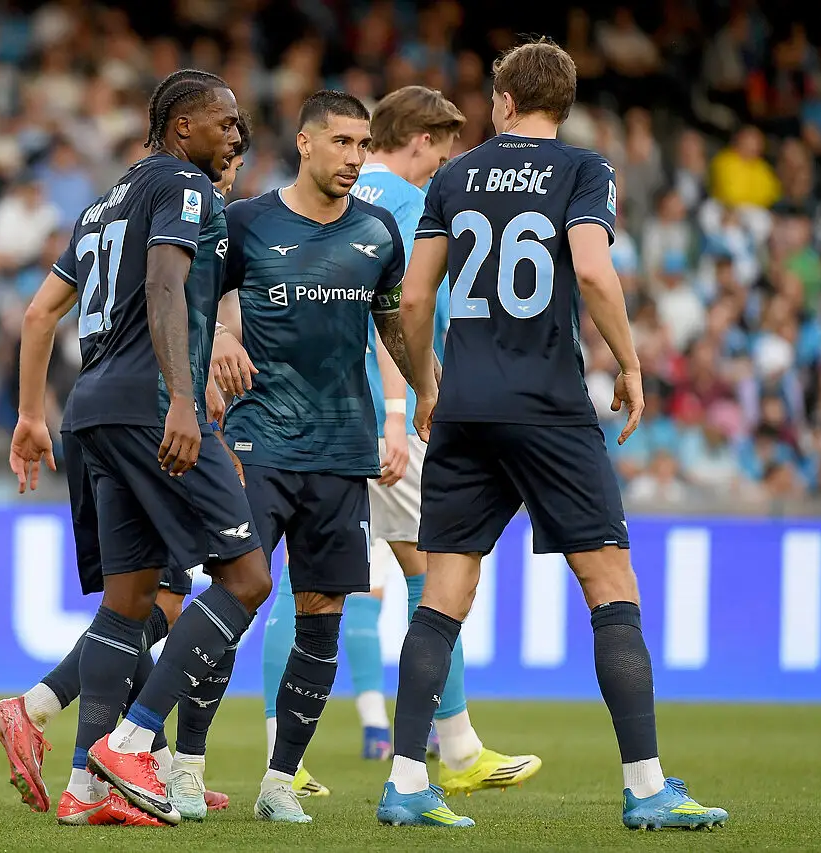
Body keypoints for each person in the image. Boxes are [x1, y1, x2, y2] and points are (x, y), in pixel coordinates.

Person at [375, 39, 730, 831]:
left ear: (502, 100)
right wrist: (632, 365)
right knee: (610, 586)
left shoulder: (456, 173)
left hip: (465, 407)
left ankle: (404, 780)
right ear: (561, 106)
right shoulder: (583, 169)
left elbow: (413, 298)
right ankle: (645, 787)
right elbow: (595, 272)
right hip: (548, 405)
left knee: (441, 594)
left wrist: (430, 388)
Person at [9, 68, 272, 829]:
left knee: (126, 603)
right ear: (180, 127)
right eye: (222, 121)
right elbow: (165, 285)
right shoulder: (185, 190)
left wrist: (31, 413)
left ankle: (85, 791)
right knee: (246, 576)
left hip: (91, 411)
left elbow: (38, 313)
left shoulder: (98, 208)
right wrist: (185, 399)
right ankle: (129, 742)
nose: (235, 132)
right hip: (154, 408)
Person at [203, 90, 415, 824]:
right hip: (259, 443)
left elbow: (393, 330)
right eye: (344, 142)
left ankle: (279, 780)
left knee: (322, 612)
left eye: (364, 144)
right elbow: (196, 299)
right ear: (305, 143)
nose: (357, 157)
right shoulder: (249, 221)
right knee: (238, 595)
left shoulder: (379, 231)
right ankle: (184, 762)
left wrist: (425, 404)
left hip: (341, 449)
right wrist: (221, 337)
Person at [327, 84, 542, 794]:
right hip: (394, 411)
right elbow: (407, 313)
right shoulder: (415, 204)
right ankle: (453, 749)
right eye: (441, 153)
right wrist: (412, 398)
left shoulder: (338, 196)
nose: (441, 168)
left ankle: (279, 760)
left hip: (320, 406)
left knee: (301, 578)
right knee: (433, 571)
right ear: (421, 139)